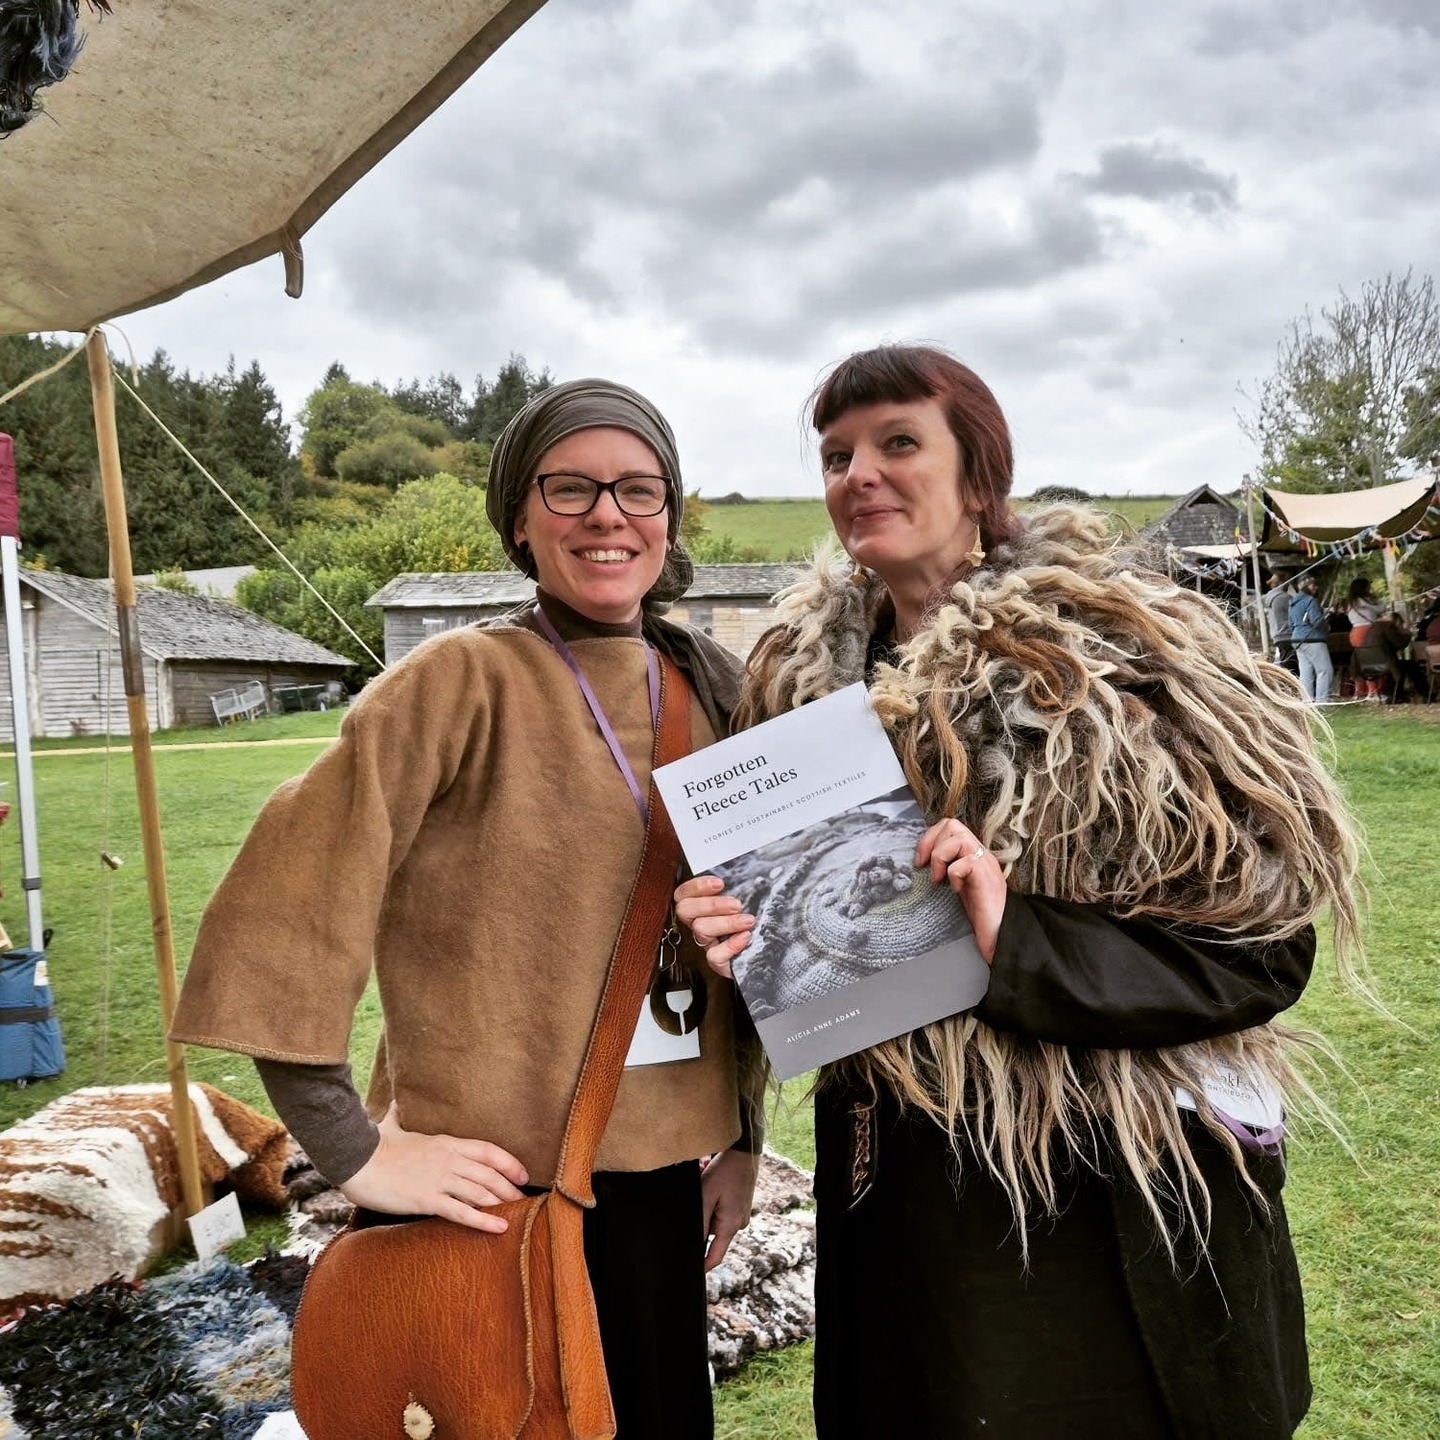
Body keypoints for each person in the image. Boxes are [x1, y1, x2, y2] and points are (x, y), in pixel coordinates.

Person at [677, 345, 1361, 1438]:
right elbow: (805, 962)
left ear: (980, 478)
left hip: (1098, 1208)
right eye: (837, 453)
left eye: (901, 442)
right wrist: (741, 951)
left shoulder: (1126, 660)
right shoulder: (795, 690)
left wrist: (1017, 938)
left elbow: (1265, 943)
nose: (861, 473)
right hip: (898, 1203)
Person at [172, 378, 763, 1439]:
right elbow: (285, 911)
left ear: (670, 517)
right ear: (520, 516)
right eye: (570, 487)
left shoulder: (716, 686)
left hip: (664, 1180)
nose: (606, 515)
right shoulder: (457, 681)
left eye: (638, 489)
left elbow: (760, 921)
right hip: (491, 1189)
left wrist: (744, 1136)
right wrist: (354, 1151)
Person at [1289, 573, 1335, 703]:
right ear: (1306, 586)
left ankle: (1307, 701)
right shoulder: (1311, 601)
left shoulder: (1292, 603)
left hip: (1297, 639)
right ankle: (1322, 700)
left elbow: (1290, 623)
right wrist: (1327, 627)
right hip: (1312, 639)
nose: (1315, 588)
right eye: (1313, 585)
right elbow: (1317, 622)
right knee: (1324, 671)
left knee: (1306, 672)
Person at [1265, 571, 1297, 674]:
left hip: (1277, 635)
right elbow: (1299, 613)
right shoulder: (1285, 598)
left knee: (1286, 663)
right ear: (1283, 583)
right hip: (1288, 635)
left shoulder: (1270, 598)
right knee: (1292, 666)